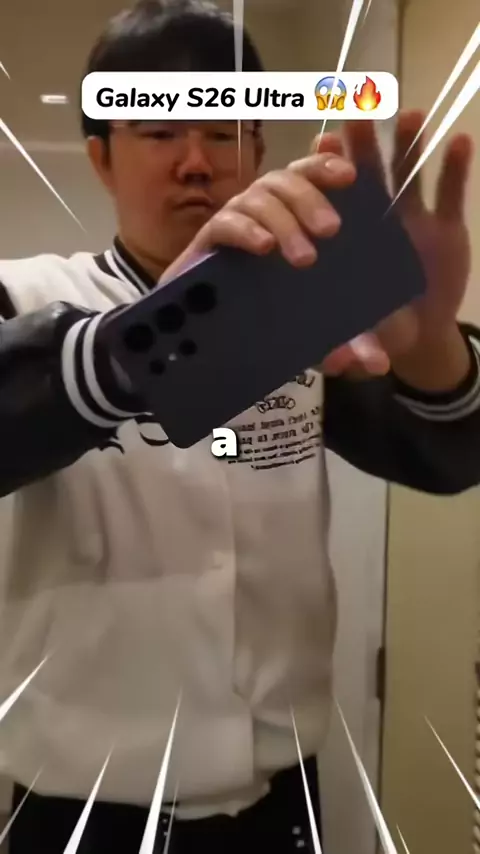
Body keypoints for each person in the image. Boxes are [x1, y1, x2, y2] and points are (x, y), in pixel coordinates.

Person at [0, 1, 479, 852]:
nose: (196, 161)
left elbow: (446, 458)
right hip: (83, 815)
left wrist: (429, 342)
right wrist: (150, 342)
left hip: (281, 807)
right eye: (159, 132)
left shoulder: (298, 314)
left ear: (257, 152)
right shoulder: (27, 295)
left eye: (224, 132)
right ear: (102, 157)